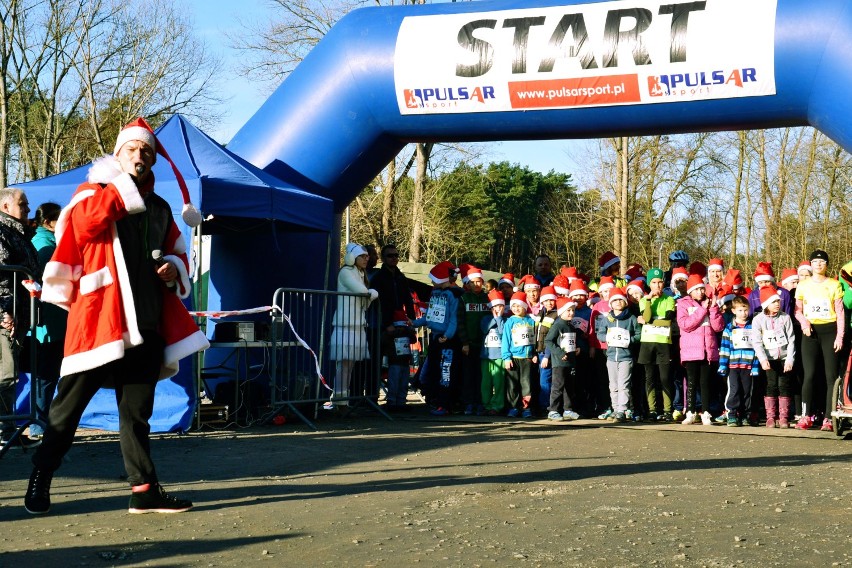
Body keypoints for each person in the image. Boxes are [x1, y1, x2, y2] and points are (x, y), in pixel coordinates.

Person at [25, 117, 209, 515]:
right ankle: (40, 475)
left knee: (136, 416)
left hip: (145, 325)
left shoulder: (160, 208)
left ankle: (144, 490)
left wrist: (176, 268)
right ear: (118, 154)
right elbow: (83, 226)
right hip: (99, 323)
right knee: (66, 411)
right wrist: (121, 187)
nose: (140, 156)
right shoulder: (93, 194)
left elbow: (180, 251)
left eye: (146, 151)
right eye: (132, 149)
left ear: (154, 159)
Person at [0, 188, 40, 449]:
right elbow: (2, 274)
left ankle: (8, 428)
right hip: (6, 315)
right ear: (5, 207)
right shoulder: (2, 233)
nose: (27, 209)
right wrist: (5, 310)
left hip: (19, 314)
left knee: (11, 373)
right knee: (6, 373)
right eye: (22, 204)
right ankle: (4, 430)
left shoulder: (19, 234)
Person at [794, 250, 844, 431]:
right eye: (815, 262)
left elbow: (839, 313)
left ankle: (829, 418)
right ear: (811, 264)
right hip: (810, 333)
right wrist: (804, 324)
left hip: (829, 331)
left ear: (826, 265)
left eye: (822, 262)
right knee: (810, 375)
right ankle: (805, 416)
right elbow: (797, 310)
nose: (818, 264)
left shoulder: (834, 284)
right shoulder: (803, 285)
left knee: (830, 376)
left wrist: (839, 336)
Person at [28, 202, 66, 440]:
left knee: (48, 374)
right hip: (49, 324)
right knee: (45, 375)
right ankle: (39, 425)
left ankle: (42, 423)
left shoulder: (50, 243)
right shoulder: (45, 246)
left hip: (54, 321)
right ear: (48, 222)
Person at [328, 243, 379, 408]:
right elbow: (362, 291)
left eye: (367, 256)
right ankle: (339, 400)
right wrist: (373, 293)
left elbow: (366, 296)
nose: (366, 259)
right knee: (343, 365)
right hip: (345, 324)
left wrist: (371, 294)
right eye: (362, 256)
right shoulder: (345, 272)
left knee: (349, 365)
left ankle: (343, 399)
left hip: (357, 324)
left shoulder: (360, 273)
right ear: (353, 258)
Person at [413, 261, 466, 416]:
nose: (431, 282)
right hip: (436, 339)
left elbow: (454, 318)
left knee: (446, 373)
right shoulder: (435, 293)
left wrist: (447, 335)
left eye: (434, 279)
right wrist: (414, 323)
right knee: (434, 372)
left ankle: (446, 404)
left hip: (448, 340)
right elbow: (430, 316)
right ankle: (436, 400)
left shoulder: (454, 295)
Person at [676, 274, 724, 426]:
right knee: (692, 382)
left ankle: (706, 412)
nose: (700, 292)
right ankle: (690, 412)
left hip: (708, 351)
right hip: (691, 351)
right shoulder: (683, 304)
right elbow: (685, 324)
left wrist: (714, 309)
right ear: (690, 291)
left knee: (705, 383)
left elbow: (718, 327)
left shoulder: (709, 304)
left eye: (702, 289)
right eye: (697, 290)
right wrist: (702, 310)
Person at [751, 286, 796, 428]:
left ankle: (783, 417)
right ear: (766, 304)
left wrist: (789, 359)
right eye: (773, 301)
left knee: (784, 386)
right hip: (769, 359)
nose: (777, 303)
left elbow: (791, 340)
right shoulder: (758, 320)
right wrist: (763, 360)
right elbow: (757, 342)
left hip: (783, 358)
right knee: (771, 385)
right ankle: (770, 416)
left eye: (778, 301)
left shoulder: (785, 317)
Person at [595, 287, 641, 422]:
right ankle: (615, 409)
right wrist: (607, 338)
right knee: (613, 385)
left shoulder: (631, 318)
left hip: (626, 357)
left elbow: (638, 334)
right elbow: (600, 333)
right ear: (611, 303)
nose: (618, 303)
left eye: (621, 300)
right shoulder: (607, 318)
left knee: (623, 384)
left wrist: (629, 340)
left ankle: (622, 409)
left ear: (625, 302)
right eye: (615, 300)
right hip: (610, 357)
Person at [638, 268, 676, 422]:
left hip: (664, 343)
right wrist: (648, 300)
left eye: (660, 282)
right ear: (649, 284)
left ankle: (667, 410)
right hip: (647, 343)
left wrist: (649, 321)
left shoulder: (669, 299)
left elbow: (667, 321)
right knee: (649, 378)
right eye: (654, 282)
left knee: (665, 378)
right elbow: (646, 316)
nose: (657, 285)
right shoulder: (644, 300)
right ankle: (652, 410)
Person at [718, 296, 760, 426]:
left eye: (746, 310)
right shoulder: (729, 328)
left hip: (748, 365)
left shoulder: (753, 327)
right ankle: (731, 414)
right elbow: (725, 348)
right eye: (740, 310)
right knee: (734, 390)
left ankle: (744, 415)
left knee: (747, 391)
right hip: (733, 365)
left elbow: (758, 348)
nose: (744, 313)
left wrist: (755, 365)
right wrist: (723, 365)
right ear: (734, 311)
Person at [502, 291, 537, 418]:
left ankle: (526, 407)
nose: (516, 308)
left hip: (526, 358)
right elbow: (505, 340)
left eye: (519, 305)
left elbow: (534, 339)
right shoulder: (509, 322)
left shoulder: (530, 320)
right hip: (513, 358)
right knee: (512, 385)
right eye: (514, 306)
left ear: (525, 306)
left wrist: (534, 353)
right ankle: (513, 407)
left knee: (526, 384)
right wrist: (506, 357)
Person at [459, 264, 489, 415]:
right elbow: (460, 322)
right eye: (473, 282)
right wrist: (464, 342)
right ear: (467, 284)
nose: (476, 284)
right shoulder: (463, 299)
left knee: (482, 376)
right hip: (469, 344)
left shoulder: (487, 298)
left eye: (479, 281)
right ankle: (469, 403)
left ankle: (481, 402)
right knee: (469, 375)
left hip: (486, 345)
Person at [544, 297, 581, 421]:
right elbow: (548, 341)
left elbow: (572, 341)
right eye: (568, 310)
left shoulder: (570, 326)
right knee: (558, 386)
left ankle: (568, 410)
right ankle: (553, 410)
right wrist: (559, 353)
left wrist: (577, 348)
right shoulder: (557, 325)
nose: (571, 313)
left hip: (571, 362)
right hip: (559, 363)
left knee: (570, 387)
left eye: (573, 310)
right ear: (561, 312)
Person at [381, 309, 416, 410]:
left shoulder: (393, 332)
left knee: (398, 383)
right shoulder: (401, 332)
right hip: (399, 362)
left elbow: (413, 339)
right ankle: (396, 402)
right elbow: (413, 340)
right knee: (398, 383)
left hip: (399, 362)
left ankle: (397, 402)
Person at [480, 289, 507, 415]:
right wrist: (495, 318)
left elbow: (503, 332)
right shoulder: (485, 318)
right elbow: (484, 329)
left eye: (500, 306)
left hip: (500, 356)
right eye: (495, 306)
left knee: (499, 382)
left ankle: (497, 406)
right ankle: (486, 404)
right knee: (486, 382)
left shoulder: (505, 320)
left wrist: (499, 318)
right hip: (486, 356)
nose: (498, 309)